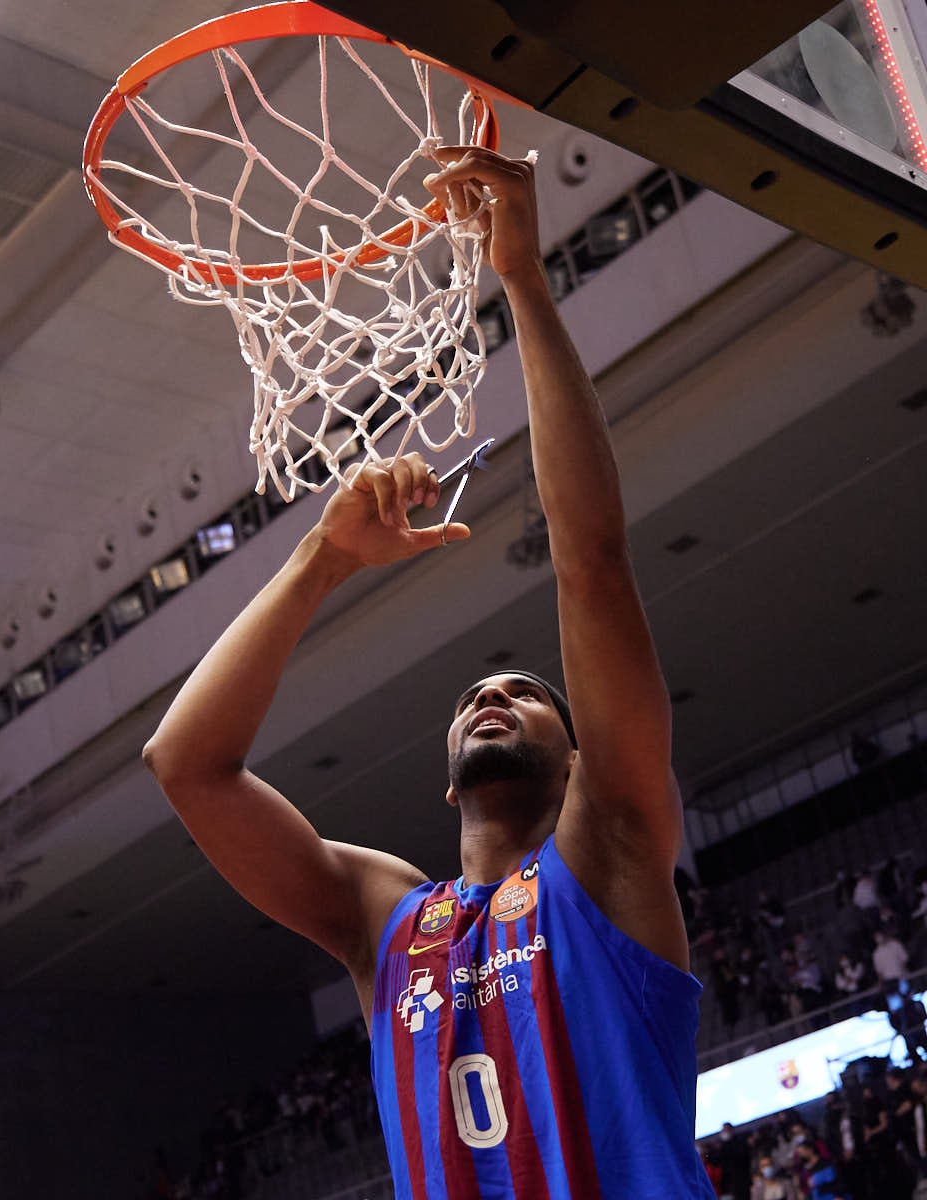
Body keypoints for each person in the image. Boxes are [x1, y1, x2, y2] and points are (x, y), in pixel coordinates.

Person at [143, 148, 712, 1198]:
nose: (493, 694)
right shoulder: (386, 919)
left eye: (526, 694)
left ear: (581, 755)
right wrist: (321, 559)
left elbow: (589, 565)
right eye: (471, 700)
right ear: (447, 781)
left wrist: (524, 280)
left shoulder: (612, 849)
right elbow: (186, 765)